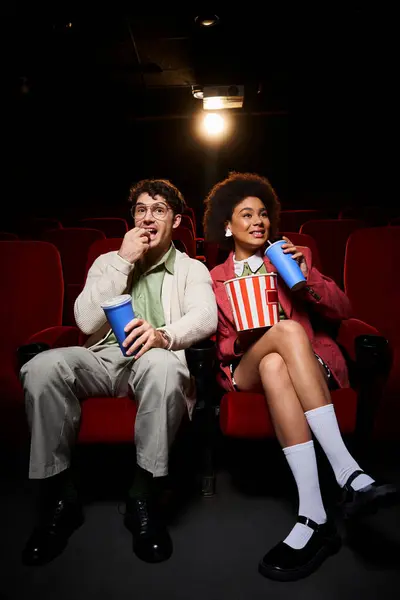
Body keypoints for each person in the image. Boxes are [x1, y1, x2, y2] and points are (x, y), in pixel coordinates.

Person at [203, 171, 398, 582]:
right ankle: (348, 471)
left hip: (301, 363)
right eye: (246, 215)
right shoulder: (215, 279)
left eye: (263, 214)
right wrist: (249, 338)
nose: (258, 222)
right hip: (245, 368)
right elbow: (218, 344)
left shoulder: (297, 255)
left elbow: (343, 309)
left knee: (278, 360)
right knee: (281, 338)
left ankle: (313, 515)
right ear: (227, 224)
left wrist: (302, 275)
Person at [20, 178, 217, 566]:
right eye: (140, 210)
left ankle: (142, 497)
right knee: (40, 368)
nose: (148, 218)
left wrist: (162, 335)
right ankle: (63, 498)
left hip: (153, 359)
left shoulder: (191, 269)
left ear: (175, 221)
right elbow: (86, 320)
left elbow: (205, 317)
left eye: (159, 210)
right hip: (103, 358)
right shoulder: (107, 262)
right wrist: (122, 261)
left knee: (162, 367)